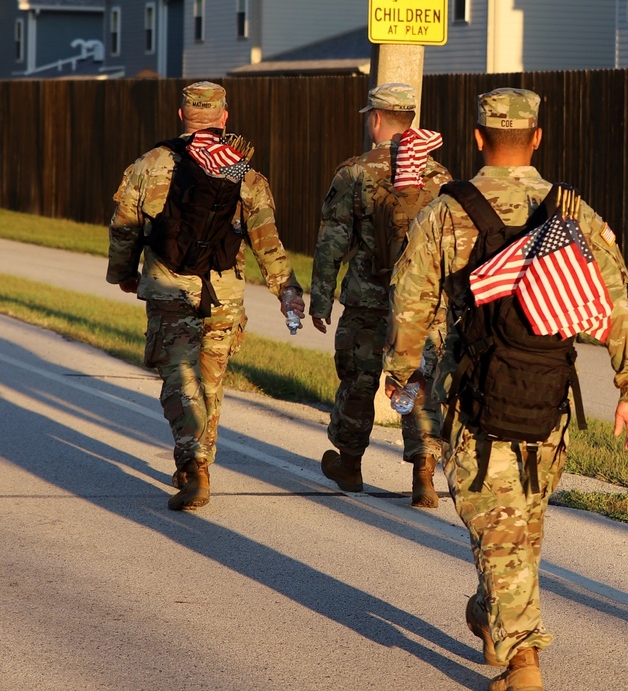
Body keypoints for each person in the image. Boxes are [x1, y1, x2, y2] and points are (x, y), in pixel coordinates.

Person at [384, 87, 628, 691]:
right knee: (517, 524)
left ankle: (523, 657)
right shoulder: (572, 212)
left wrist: (404, 379)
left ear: (478, 139)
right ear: (536, 139)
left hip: (474, 398)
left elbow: (409, 307)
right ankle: (493, 611)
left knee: (499, 526)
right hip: (549, 398)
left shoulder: (445, 211)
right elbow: (615, 305)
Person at [107, 81, 305, 511]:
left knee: (180, 378)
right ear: (223, 117)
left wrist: (122, 274)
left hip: (169, 288)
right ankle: (199, 462)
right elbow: (266, 239)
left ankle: (194, 465)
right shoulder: (241, 170)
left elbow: (124, 227)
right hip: (224, 295)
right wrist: (286, 289)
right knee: (210, 383)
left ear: (182, 115)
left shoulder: (151, 163)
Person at [310, 82, 451, 507]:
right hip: (424, 303)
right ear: (410, 121)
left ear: (375, 118)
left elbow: (332, 241)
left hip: (367, 298)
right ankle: (423, 472)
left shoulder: (355, 172)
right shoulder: (439, 176)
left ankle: (350, 465)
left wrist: (319, 299)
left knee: (359, 378)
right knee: (418, 379)